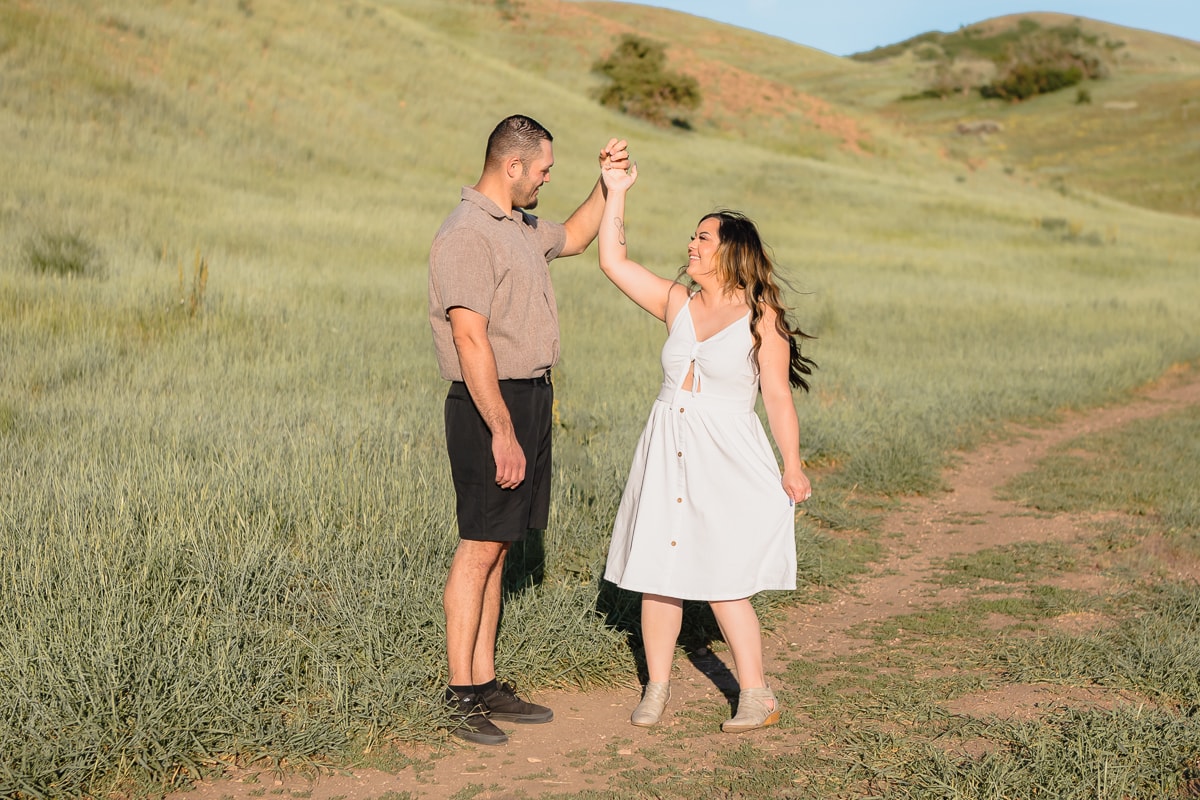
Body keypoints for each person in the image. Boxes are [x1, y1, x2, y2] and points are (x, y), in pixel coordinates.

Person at [428, 114, 630, 746]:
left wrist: (608, 184)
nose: (546, 179)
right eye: (542, 170)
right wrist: (502, 430)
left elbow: (576, 236)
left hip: (530, 397)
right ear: (511, 166)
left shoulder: (518, 225)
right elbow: (470, 338)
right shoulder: (467, 234)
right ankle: (459, 694)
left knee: (500, 547)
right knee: (478, 546)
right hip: (491, 404)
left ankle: (484, 682)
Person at [597, 159, 816, 733]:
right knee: (658, 571)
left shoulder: (762, 317)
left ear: (731, 252)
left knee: (723, 577)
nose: (691, 245)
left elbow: (777, 397)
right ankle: (656, 688)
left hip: (725, 455)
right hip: (666, 445)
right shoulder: (678, 303)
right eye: (692, 236)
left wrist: (792, 465)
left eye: (703, 238)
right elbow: (613, 262)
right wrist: (616, 191)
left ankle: (756, 695)